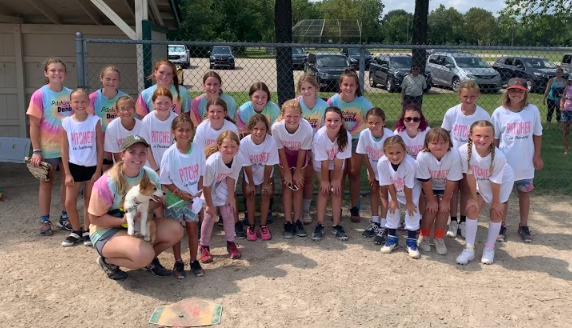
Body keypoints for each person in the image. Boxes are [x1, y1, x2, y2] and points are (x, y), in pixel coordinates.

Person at [89, 135, 183, 281]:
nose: (138, 156)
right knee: (144, 254)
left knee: (176, 230)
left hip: (137, 225)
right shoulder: (107, 182)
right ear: (122, 155)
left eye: (142, 152)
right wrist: (123, 219)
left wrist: (143, 209)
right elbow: (94, 218)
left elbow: (157, 201)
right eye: (132, 152)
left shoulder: (149, 174)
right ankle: (107, 261)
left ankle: (149, 259)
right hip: (107, 231)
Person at [491, 78, 543, 243]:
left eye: (520, 91)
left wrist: (537, 156)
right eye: (513, 90)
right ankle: (501, 225)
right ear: (507, 92)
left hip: (525, 162)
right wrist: (493, 160)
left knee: (524, 193)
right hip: (506, 163)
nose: (516, 93)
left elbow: (537, 134)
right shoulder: (500, 112)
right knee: (503, 196)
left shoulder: (532, 110)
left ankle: (524, 225)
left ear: (525, 93)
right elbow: (495, 139)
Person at [457, 120, 515, 265]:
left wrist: (496, 202)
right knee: (472, 208)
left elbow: (496, 181)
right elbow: (469, 175)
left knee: (496, 212)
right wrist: (473, 197)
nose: (482, 140)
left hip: (502, 182)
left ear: (493, 137)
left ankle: (489, 248)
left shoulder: (499, 157)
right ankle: (469, 249)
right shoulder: (464, 151)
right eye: (478, 135)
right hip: (482, 180)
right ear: (470, 135)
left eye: (487, 136)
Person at [26, 58, 72, 235]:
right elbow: (34, 125)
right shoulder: (40, 95)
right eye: (53, 70)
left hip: (68, 148)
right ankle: (45, 220)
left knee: (67, 183)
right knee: (47, 183)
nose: (57, 73)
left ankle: (65, 217)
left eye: (60, 70)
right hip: (48, 148)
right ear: (46, 73)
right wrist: (36, 151)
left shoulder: (70, 94)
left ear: (65, 74)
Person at [441, 81, 490, 238]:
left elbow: (489, 137)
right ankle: (453, 221)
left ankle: (463, 221)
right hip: (455, 157)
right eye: (465, 96)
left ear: (478, 96)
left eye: (472, 97)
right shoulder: (452, 113)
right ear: (459, 95)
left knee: (467, 189)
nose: (468, 100)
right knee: (453, 189)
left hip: (472, 159)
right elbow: (444, 134)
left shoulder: (483, 115)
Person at [160, 115, 205, 279]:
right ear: (173, 132)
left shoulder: (198, 150)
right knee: (177, 233)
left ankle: (194, 260)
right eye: (180, 130)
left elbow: (201, 174)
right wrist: (180, 193)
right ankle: (178, 261)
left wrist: (198, 194)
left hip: (192, 201)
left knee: (193, 231)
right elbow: (165, 180)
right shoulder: (169, 154)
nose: (184, 133)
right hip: (175, 201)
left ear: (192, 132)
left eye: (187, 130)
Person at [327, 69, 373, 223]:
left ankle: (355, 207)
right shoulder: (333, 101)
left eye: (352, 84)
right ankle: (337, 205)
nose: (348, 87)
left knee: (353, 172)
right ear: (340, 85)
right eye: (345, 84)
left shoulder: (362, 103)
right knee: (339, 173)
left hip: (355, 140)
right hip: (338, 139)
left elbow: (371, 119)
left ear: (356, 86)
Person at [193, 98, 243, 238]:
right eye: (212, 111)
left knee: (229, 196)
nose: (215, 114)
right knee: (205, 197)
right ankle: (203, 225)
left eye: (219, 111)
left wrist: (230, 195)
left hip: (226, 167)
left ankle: (235, 223)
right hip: (208, 166)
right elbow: (198, 151)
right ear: (207, 113)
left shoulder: (231, 128)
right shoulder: (203, 127)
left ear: (225, 113)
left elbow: (234, 150)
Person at [60, 88, 103, 247]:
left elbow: (100, 147)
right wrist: (67, 173)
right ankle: (75, 231)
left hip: (92, 167)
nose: (80, 104)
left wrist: (98, 170)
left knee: (89, 200)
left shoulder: (95, 121)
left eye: (83, 101)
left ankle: (87, 230)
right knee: (69, 202)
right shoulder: (67, 122)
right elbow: (64, 149)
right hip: (74, 166)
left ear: (88, 102)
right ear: (70, 103)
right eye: (76, 101)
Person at [416, 128, 463, 255]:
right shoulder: (423, 156)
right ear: (427, 144)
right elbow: (425, 181)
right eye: (434, 143)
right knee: (431, 209)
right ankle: (424, 236)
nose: (439, 146)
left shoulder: (453, 155)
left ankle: (438, 237)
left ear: (449, 143)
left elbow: (452, 180)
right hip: (429, 185)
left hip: (445, 186)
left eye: (443, 142)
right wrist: (431, 201)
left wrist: (446, 201)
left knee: (443, 208)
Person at [271, 99, 313, 239]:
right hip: (285, 155)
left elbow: (303, 151)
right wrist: (288, 173)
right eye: (289, 116)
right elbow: (280, 150)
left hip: (299, 156)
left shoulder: (307, 128)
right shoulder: (276, 127)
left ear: (301, 115)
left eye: (296, 116)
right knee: (287, 185)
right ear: (283, 115)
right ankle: (288, 221)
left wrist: (298, 172)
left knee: (298, 185)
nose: (292, 119)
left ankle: (297, 220)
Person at [200, 131, 244, 262]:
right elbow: (205, 185)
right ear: (219, 147)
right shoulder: (212, 163)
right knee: (210, 216)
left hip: (222, 183)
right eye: (226, 147)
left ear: (238, 147)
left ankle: (231, 243)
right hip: (208, 187)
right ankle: (204, 246)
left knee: (228, 211)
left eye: (233, 146)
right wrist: (209, 205)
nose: (229, 150)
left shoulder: (238, 159)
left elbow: (231, 176)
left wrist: (231, 196)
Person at [311, 107, 352, 241]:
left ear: (341, 122)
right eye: (329, 120)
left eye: (336, 120)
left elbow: (339, 163)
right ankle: (320, 224)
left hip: (337, 164)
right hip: (321, 164)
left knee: (336, 191)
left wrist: (335, 181)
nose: (333, 124)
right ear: (324, 121)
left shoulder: (346, 136)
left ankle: (336, 224)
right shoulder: (319, 137)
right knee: (324, 190)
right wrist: (325, 181)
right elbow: (323, 163)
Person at [378, 136, 422, 259]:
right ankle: (392, 239)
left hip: (411, 190)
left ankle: (411, 242)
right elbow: (387, 182)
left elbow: (408, 185)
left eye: (398, 152)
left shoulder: (410, 163)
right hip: (394, 188)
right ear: (385, 153)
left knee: (412, 210)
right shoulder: (382, 163)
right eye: (391, 153)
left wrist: (409, 202)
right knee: (392, 210)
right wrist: (393, 199)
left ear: (405, 150)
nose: (395, 156)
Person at [356, 107, 393, 244]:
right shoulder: (365, 134)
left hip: (387, 170)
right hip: (373, 167)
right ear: (366, 122)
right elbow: (364, 153)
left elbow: (393, 156)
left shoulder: (390, 135)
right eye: (370, 122)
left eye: (377, 123)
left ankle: (384, 225)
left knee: (383, 193)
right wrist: (371, 172)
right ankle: (375, 221)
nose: (373, 126)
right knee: (373, 191)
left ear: (383, 122)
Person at [241, 114, 279, 241]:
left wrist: (267, 183)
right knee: (250, 194)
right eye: (256, 128)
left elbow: (269, 164)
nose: (259, 132)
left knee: (265, 193)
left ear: (267, 130)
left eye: (262, 129)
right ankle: (251, 225)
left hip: (265, 172)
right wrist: (251, 183)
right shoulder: (244, 143)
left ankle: (263, 225)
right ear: (250, 129)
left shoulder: (271, 141)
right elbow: (247, 165)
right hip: (250, 172)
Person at [296, 73, 329, 224]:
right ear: (299, 90)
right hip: (297, 146)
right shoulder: (296, 104)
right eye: (303, 88)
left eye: (309, 87)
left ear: (316, 88)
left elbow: (324, 130)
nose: (306, 91)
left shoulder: (323, 106)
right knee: (299, 177)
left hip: (316, 146)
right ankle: (295, 210)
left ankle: (305, 210)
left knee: (309, 178)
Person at [89, 65, 127, 171]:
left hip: (120, 141)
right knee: (104, 174)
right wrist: (104, 146)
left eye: (115, 79)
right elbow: (90, 124)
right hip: (99, 142)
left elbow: (129, 123)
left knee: (119, 172)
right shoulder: (93, 98)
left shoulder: (125, 98)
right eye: (108, 79)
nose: (111, 82)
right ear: (101, 78)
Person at [136, 59, 197, 125]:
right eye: (161, 72)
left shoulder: (182, 92)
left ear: (172, 76)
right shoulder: (145, 94)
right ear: (155, 72)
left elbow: (186, 117)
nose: (164, 76)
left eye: (168, 74)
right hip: (153, 132)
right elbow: (142, 120)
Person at [140, 87, 178, 174]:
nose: (163, 106)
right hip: (151, 168)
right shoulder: (147, 120)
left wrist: (168, 169)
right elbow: (146, 147)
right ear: (153, 103)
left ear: (172, 103)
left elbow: (177, 147)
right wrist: (156, 169)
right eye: (159, 103)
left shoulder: (176, 119)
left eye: (166, 103)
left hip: (171, 167)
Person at [104, 96, 145, 163]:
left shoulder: (142, 126)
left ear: (134, 110)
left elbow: (144, 151)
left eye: (129, 108)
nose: (126, 112)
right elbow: (116, 154)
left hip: (140, 165)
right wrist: (125, 171)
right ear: (117, 111)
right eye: (122, 109)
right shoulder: (112, 127)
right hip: (121, 167)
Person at [560, 76, 572, 154]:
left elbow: (565, 97)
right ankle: (566, 149)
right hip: (566, 110)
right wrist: (561, 105)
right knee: (565, 131)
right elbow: (562, 99)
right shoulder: (567, 88)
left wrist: (565, 97)